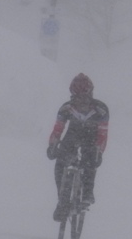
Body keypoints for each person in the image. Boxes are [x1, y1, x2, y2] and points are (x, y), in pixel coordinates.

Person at [46, 73, 109, 222]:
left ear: (91, 95)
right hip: (73, 134)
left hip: (91, 137)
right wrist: (53, 146)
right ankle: (62, 200)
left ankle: (87, 193)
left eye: (85, 99)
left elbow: (102, 135)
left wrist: (98, 152)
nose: (81, 103)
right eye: (77, 98)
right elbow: (57, 130)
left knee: (90, 159)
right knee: (60, 162)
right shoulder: (66, 109)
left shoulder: (101, 110)